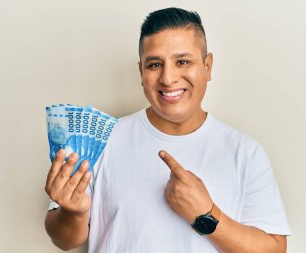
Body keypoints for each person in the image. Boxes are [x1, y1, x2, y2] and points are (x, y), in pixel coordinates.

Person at [44, 7, 291, 252]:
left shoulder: (245, 152)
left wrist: (205, 215)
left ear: (208, 67)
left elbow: (274, 249)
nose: (168, 78)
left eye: (182, 61)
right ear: (141, 72)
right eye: (154, 65)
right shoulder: (102, 141)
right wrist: (73, 213)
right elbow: (64, 241)